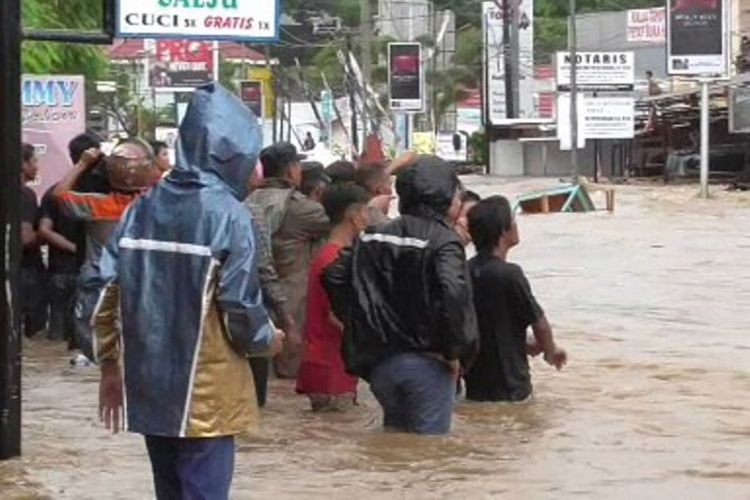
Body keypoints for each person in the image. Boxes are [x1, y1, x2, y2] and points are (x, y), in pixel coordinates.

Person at [91, 84, 284, 499]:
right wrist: (268, 339)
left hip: (150, 385)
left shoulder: (141, 208)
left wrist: (110, 365)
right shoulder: (231, 217)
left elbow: (103, 291)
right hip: (206, 395)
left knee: (169, 491)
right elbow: (240, 307)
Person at [324, 156, 479, 435]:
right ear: (442, 196)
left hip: (380, 366)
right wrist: (457, 352)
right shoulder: (444, 241)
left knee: (396, 444)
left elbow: (333, 275)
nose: (458, 200)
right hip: (428, 366)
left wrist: (359, 322)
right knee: (429, 458)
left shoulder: (374, 235)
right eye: (456, 193)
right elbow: (454, 295)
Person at [54, 138, 160, 358]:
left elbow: (59, 195)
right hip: (142, 289)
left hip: (101, 290)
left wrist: (83, 164)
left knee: (107, 362)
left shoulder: (96, 205)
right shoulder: (157, 206)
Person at [464, 196, 567, 403]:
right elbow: (539, 322)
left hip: (476, 385)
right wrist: (550, 350)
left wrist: (525, 342)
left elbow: (485, 323)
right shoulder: (510, 273)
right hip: (512, 385)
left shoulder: (465, 270)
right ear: (504, 231)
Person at [248, 142, 330, 378]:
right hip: (291, 298)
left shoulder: (251, 198)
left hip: (255, 294)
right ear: (291, 171)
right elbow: (341, 222)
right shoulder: (302, 208)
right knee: (289, 372)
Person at [296, 184, 370, 411]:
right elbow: (335, 316)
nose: (368, 217)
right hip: (332, 366)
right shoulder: (336, 260)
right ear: (354, 216)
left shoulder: (326, 255)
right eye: (366, 211)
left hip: (321, 362)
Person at [38, 146, 87, 344]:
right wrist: (76, 248)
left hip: (60, 270)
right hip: (85, 272)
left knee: (56, 336)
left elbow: (44, 230)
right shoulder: (97, 194)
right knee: (83, 338)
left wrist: (68, 246)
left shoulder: (54, 191)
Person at [19, 143, 48, 338]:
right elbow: (25, 238)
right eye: (34, 161)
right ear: (22, 164)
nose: (37, 166)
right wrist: (46, 235)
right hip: (27, 271)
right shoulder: (24, 195)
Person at [355, 162, 394, 227]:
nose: (391, 190)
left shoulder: (353, 218)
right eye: (390, 184)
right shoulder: (386, 227)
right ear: (380, 190)